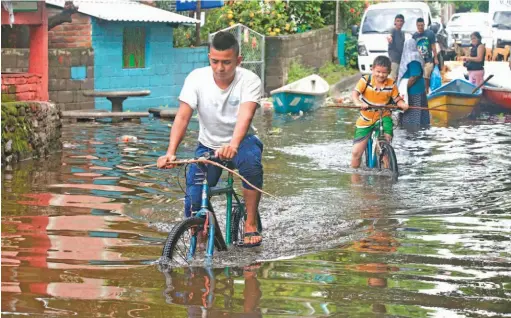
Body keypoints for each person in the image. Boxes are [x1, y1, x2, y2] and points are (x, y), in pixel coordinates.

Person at [156, 31, 264, 247]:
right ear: (209, 58)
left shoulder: (250, 80)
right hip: (208, 146)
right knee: (194, 198)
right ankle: (200, 232)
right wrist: (170, 152)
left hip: (242, 142)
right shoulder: (196, 78)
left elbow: (246, 115)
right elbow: (183, 116)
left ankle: (251, 221)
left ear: (238, 61)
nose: (220, 68)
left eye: (226, 62)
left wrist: (233, 145)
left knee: (251, 165)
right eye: (215, 61)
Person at [351, 56, 409, 169]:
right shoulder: (365, 80)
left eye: (384, 73)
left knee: (385, 144)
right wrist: (358, 103)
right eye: (378, 72)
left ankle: (387, 169)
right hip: (366, 119)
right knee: (356, 153)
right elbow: (355, 94)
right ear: (372, 69)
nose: (381, 75)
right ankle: (355, 179)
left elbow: (397, 99)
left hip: (384, 117)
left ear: (389, 72)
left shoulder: (391, 84)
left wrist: (402, 104)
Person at [397, 38, 430, 129]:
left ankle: (412, 133)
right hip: (418, 90)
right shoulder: (416, 55)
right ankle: (421, 131)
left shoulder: (413, 58)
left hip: (413, 92)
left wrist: (402, 89)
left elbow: (414, 77)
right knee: (421, 115)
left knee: (412, 116)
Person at [413, 18, 438, 92]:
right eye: (418, 25)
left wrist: (436, 58)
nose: (420, 27)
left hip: (428, 59)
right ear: (416, 26)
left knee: (426, 76)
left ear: (424, 25)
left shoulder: (430, 33)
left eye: (421, 25)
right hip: (419, 60)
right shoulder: (414, 36)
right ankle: (421, 91)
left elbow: (433, 46)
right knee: (419, 77)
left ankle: (426, 91)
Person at [387, 14, 405, 81]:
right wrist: (389, 37)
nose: (399, 22)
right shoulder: (393, 30)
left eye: (401, 21)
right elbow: (389, 35)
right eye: (397, 21)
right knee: (392, 78)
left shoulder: (402, 33)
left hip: (400, 59)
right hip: (394, 59)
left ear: (403, 22)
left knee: (398, 78)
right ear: (395, 22)